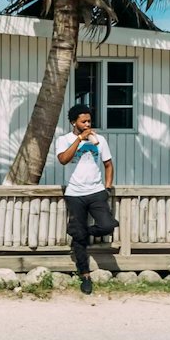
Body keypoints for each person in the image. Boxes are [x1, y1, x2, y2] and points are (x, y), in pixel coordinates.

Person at [56, 104, 118, 295]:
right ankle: (85, 276)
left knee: (107, 225)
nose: (87, 124)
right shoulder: (64, 139)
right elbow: (63, 159)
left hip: (96, 191)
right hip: (75, 193)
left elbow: (108, 164)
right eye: (83, 121)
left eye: (89, 121)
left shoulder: (99, 140)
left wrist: (106, 188)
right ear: (74, 122)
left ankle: (81, 231)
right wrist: (80, 140)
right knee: (80, 240)